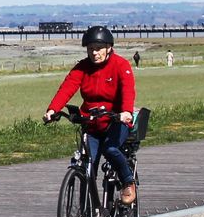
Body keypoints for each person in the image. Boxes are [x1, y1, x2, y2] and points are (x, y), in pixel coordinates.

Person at [43, 26, 137, 204]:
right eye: (90, 49)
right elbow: (67, 87)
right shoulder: (83, 67)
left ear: (109, 48)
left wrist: (125, 112)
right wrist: (53, 110)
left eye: (99, 48)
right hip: (91, 124)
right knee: (87, 168)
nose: (95, 53)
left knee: (110, 149)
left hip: (115, 121)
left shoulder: (121, 65)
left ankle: (128, 181)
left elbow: (127, 90)